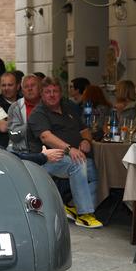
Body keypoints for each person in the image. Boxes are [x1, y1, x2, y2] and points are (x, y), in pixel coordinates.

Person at [27, 77, 103, 229]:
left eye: (55, 91)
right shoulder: (38, 113)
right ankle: (84, 214)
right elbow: (46, 137)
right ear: (41, 94)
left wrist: (86, 141)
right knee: (77, 164)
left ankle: (74, 206)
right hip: (47, 159)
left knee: (100, 171)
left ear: (61, 93)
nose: (52, 95)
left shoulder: (69, 107)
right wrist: (69, 149)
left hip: (71, 156)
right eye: (47, 92)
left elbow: (85, 130)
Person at [7, 74, 41, 152]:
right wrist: (30, 125)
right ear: (22, 91)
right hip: (22, 152)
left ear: (40, 88)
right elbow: (13, 134)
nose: (30, 89)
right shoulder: (15, 107)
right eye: (26, 86)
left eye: (33, 85)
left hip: (47, 150)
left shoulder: (47, 104)